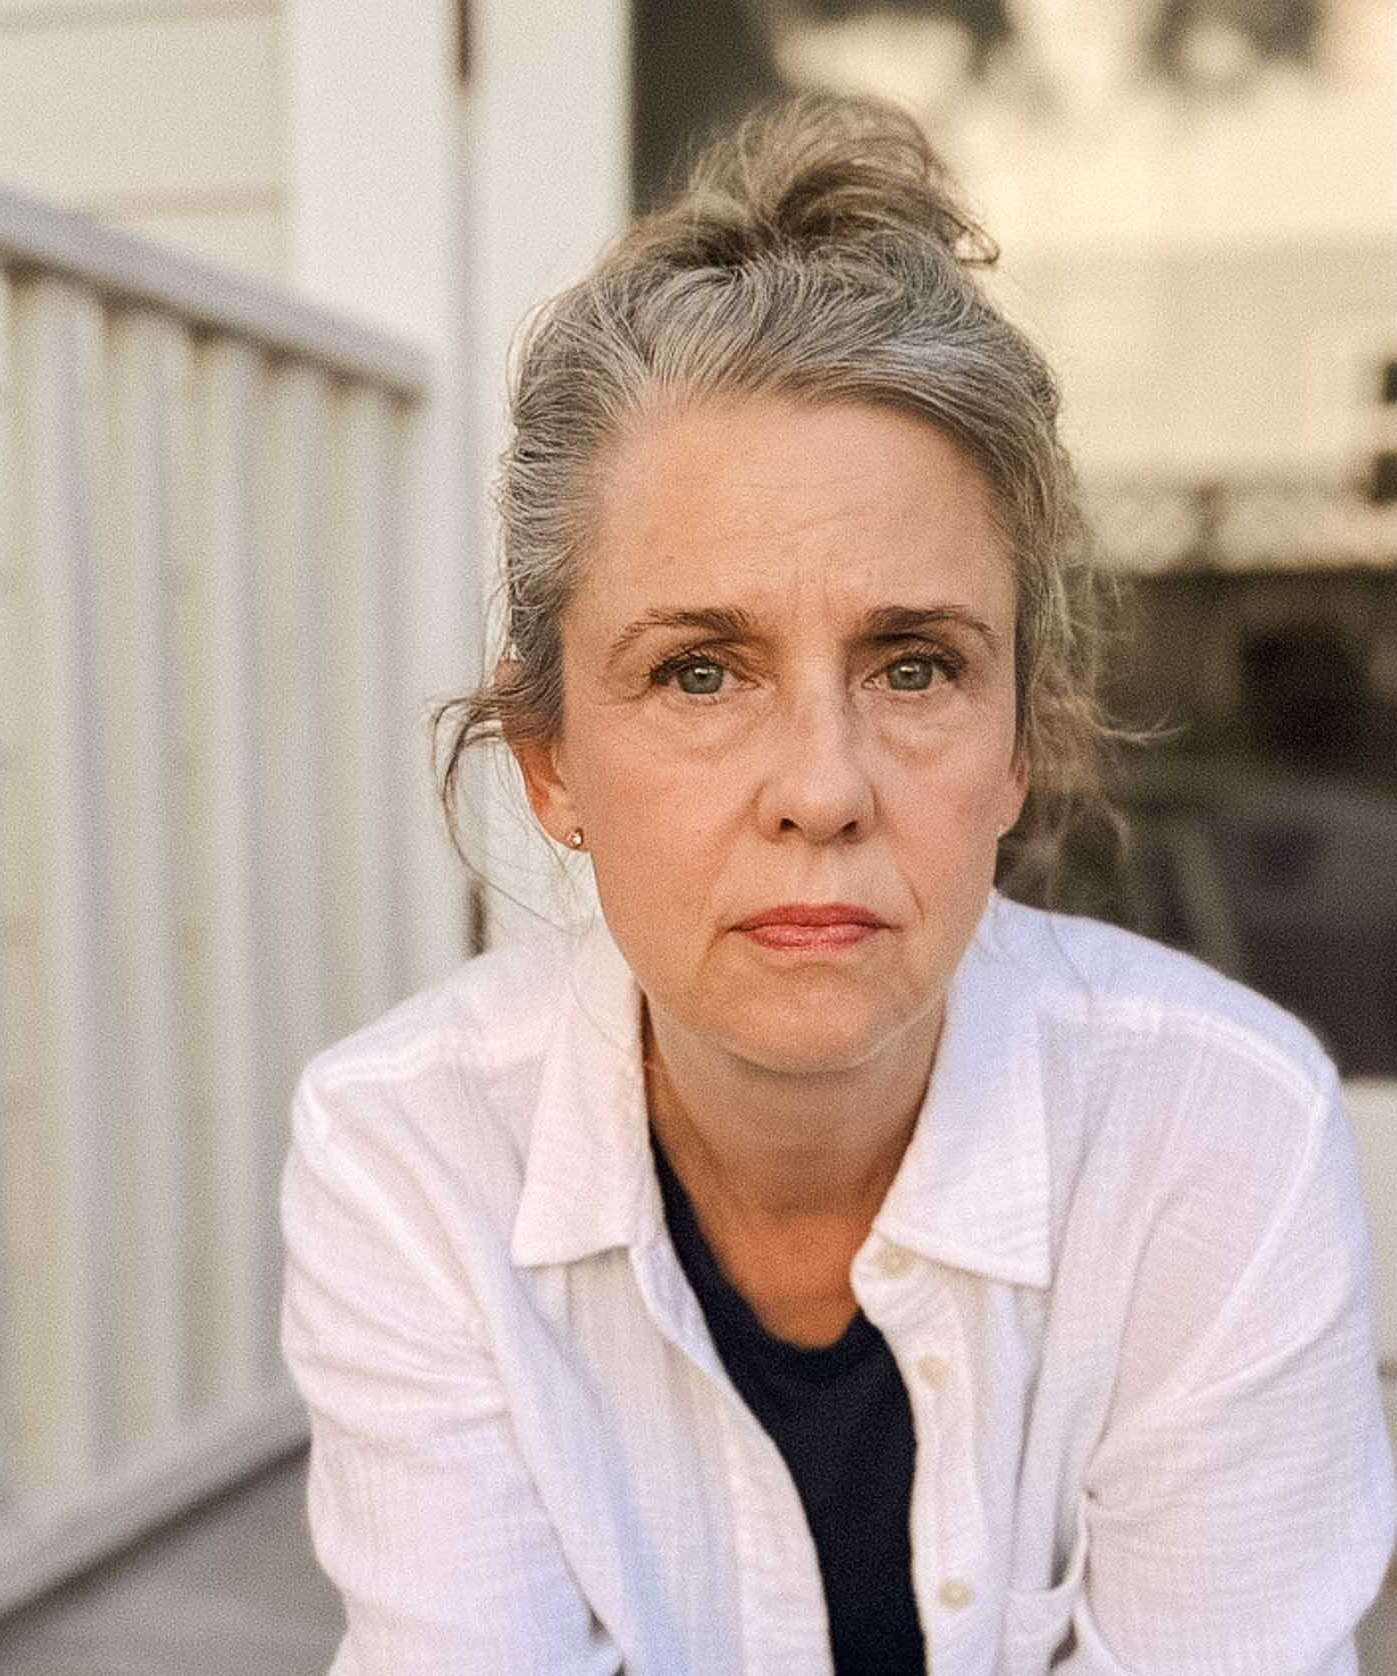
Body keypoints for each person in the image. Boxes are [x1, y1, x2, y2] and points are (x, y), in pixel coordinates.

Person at [279, 95, 1395, 1675]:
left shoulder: (1219, 1137)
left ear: (1022, 743)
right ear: (548, 762)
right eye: (698, 672)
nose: (820, 790)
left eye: (918, 665)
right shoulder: (408, 1151)